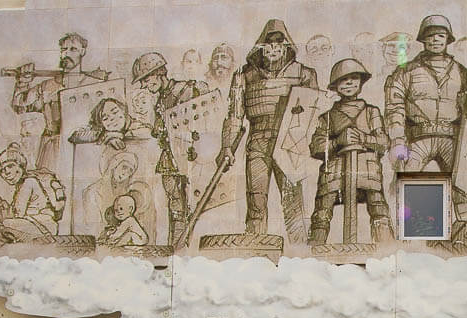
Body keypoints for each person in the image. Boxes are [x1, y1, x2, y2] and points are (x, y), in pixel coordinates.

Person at [218, 20, 319, 241]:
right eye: (269, 43)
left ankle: (299, 252)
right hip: (258, 140)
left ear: (286, 45)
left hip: (290, 142)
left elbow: (313, 112)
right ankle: (255, 248)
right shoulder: (244, 75)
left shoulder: (304, 73)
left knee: (293, 203)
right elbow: (235, 115)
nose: (273, 48)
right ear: (261, 46)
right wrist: (227, 146)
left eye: (278, 43)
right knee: (256, 200)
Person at [385, 15, 467, 222]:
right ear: (423, 39)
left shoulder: (462, 73)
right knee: (407, 182)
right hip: (418, 138)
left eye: (440, 35)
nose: (436, 40)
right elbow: (395, 107)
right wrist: (398, 140)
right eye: (430, 36)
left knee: (463, 186)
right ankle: (413, 234)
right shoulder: (405, 71)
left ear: (448, 39)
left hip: (451, 139)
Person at [308, 59, 394, 245]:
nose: (348, 83)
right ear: (335, 86)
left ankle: (388, 251)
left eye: (353, 78)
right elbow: (316, 146)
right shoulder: (328, 117)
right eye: (343, 80)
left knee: (379, 211)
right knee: (321, 214)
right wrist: (338, 141)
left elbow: (383, 142)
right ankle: (312, 255)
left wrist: (363, 139)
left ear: (361, 83)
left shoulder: (372, 112)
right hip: (335, 171)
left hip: (367, 170)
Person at [131, 51, 207, 247]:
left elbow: (202, 118)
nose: (146, 85)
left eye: (147, 79)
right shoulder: (160, 100)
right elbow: (158, 130)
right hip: (170, 156)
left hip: (191, 155)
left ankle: (185, 247)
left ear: (159, 72)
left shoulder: (185, 90)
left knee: (194, 202)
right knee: (175, 203)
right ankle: (176, 245)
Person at [9, 32, 109, 170]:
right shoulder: (47, 86)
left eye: (73, 49)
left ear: (82, 51)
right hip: (52, 151)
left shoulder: (94, 84)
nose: (66, 54)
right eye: (63, 49)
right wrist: (22, 82)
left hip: (85, 151)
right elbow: (20, 106)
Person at [0, 143, 64, 246]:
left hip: (41, 227)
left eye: (10, 166)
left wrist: (2, 212)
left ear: (20, 166)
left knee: (4, 226)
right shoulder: (25, 183)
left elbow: (18, 214)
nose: (6, 172)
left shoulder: (28, 182)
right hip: (38, 226)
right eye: (2, 170)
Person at [67, 97, 148, 151]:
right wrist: (106, 136)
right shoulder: (104, 133)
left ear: (123, 111)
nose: (112, 118)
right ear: (101, 124)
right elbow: (74, 136)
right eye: (105, 118)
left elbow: (148, 133)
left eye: (115, 112)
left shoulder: (136, 125)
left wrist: (118, 136)